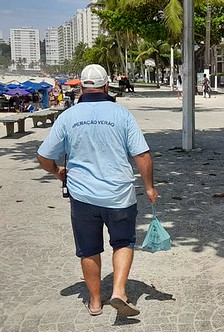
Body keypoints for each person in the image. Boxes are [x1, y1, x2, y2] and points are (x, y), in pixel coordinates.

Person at [37, 64, 157, 318]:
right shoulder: (121, 114)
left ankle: (94, 302)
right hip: (119, 195)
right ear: (105, 86)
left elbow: (44, 156)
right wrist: (149, 187)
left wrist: (56, 171)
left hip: (82, 197)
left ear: (81, 87)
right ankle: (119, 291)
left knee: (89, 249)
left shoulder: (68, 116)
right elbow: (142, 154)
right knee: (123, 242)